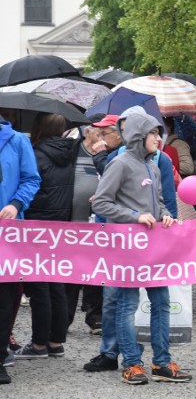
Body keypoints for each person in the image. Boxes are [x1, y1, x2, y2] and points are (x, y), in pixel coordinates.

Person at [91, 111, 190, 385]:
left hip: (153, 250)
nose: (159, 138)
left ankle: (161, 362)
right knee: (127, 305)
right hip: (126, 249)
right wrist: (134, 216)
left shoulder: (155, 167)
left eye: (159, 133)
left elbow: (158, 202)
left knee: (161, 303)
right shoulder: (120, 164)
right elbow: (100, 203)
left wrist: (166, 215)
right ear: (137, 136)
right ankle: (132, 364)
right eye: (153, 134)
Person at [13, 114, 75, 361]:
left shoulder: (36, 154)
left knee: (38, 285)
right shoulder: (68, 153)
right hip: (60, 223)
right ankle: (56, 341)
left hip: (36, 224)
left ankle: (39, 344)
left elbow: (31, 186)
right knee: (56, 283)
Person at [0, 113, 41, 384]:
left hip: (8, 232)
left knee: (3, 299)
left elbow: (31, 179)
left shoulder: (16, 141)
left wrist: (16, 203)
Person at [65, 116, 110, 335]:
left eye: (105, 131)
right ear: (87, 131)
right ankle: (64, 319)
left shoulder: (109, 155)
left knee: (96, 269)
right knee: (71, 271)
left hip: (99, 224)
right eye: (98, 131)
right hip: (74, 221)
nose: (102, 135)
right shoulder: (72, 151)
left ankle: (95, 317)